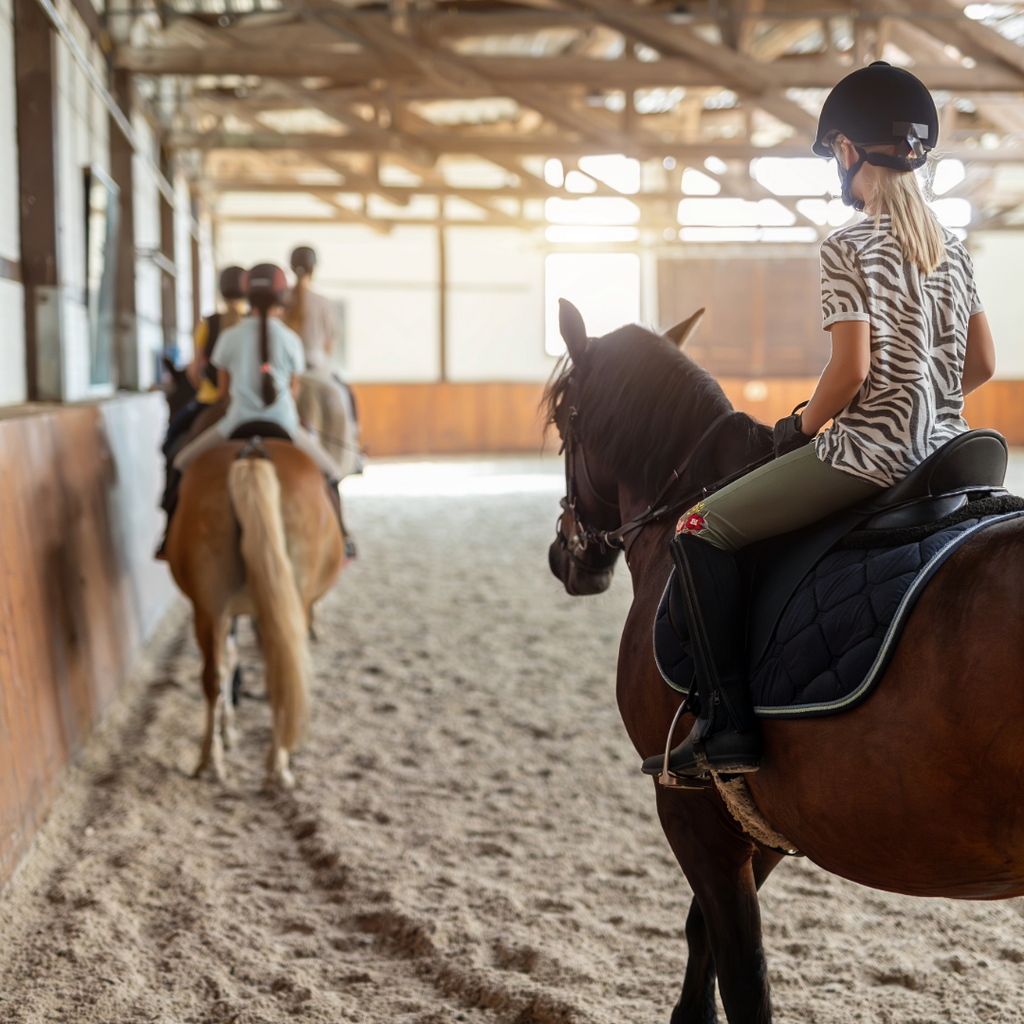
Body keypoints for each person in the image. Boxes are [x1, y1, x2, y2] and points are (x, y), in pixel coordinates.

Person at [644, 62, 997, 781]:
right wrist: (926, 395)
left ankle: (728, 726)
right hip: (947, 453)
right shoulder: (952, 250)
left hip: (866, 457)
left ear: (846, 150)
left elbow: (850, 374)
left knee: (698, 529)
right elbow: (985, 362)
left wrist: (803, 427)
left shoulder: (848, 245)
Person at [155, 263, 356, 560]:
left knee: (182, 462)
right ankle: (343, 535)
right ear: (281, 299)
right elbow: (294, 391)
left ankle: (168, 536)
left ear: (248, 296)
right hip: (284, 425)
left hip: (235, 424)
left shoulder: (230, 338)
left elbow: (225, 394)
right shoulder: (291, 340)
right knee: (330, 472)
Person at [284, 245, 365, 477]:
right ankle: (355, 454)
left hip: (289, 374)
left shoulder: (284, 301)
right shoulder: (323, 303)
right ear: (313, 269)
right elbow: (329, 346)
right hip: (317, 370)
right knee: (347, 398)